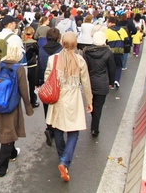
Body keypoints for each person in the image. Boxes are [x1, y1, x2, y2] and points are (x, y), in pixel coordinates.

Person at [45, 32, 93, 182]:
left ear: (62, 42)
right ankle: (65, 161)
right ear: (75, 44)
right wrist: (89, 101)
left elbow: (47, 78)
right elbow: (85, 82)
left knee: (58, 129)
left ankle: (62, 158)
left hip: (58, 98)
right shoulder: (80, 60)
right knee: (74, 132)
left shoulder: (53, 59)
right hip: (74, 98)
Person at [0, 42, 34, 178]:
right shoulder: (18, 68)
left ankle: (13, 153)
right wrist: (28, 107)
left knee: (7, 128)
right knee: (8, 134)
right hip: (11, 104)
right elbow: (24, 90)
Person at [83, 32, 115, 136]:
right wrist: (111, 82)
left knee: (90, 103)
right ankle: (94, 127)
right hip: (102, 82)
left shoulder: (87, 52)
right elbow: (112, 69)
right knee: (98, 106)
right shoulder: (108, 52)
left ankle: (94, 122)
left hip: (90, 82)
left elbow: (84, 68)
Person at [37, 28, 63, 146]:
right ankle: (57, 127)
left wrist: (37, 82)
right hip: (58, 82)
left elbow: (39, 66)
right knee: (58, 105)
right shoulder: (61, 50)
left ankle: (49, 127)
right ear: (58, 38)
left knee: (47, 106)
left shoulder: (42, 49)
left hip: (45, 81)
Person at [104, 16, 127, 89]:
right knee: (118, 66)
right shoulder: (122, 30)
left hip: (110, 51)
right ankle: (116, 80)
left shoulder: (107, 31)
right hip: (120, 50)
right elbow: (126, 40)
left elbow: (104, 41)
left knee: (109, 66)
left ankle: (110, 82)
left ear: (110, 23)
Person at [22, 26, 39, 108]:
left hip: (22, 66)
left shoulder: (21, 42)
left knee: (21, 85)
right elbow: (38, 52)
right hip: (32, 65)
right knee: (32, 85)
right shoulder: (34, 43)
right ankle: (33, 101)